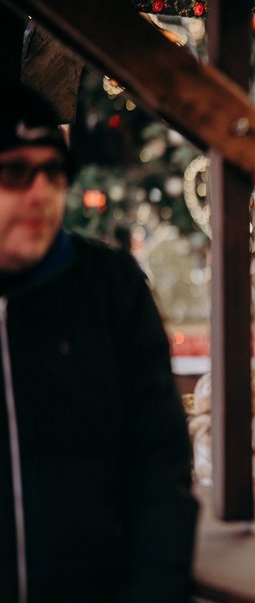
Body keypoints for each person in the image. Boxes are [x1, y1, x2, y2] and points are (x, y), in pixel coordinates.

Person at [0, 81, 197, 601]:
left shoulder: (111, 288)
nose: (40, 192)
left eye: (54, 172)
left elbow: (161, 467)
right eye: (15, 173)